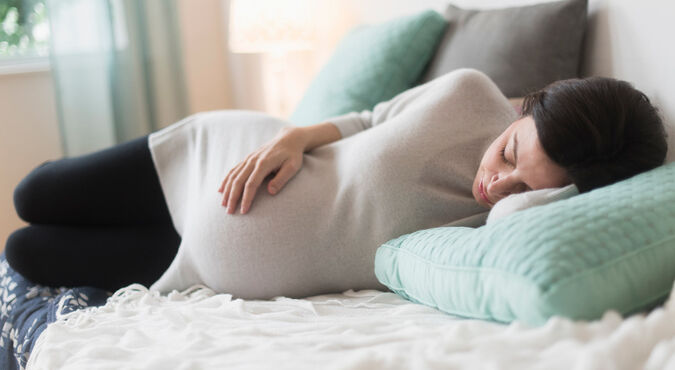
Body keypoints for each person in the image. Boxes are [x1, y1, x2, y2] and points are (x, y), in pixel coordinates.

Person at [5, 69, 667, 297]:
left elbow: (518, 214)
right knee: (33, 195)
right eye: (507, 153)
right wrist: (293, 138)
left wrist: (545, 188)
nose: (496, 184)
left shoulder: (500, 227)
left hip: (194, 267)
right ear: (525, 108)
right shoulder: (469, 93)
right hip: (223, 154)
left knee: (24, 253)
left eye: (527, 186)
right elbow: (368, 117)